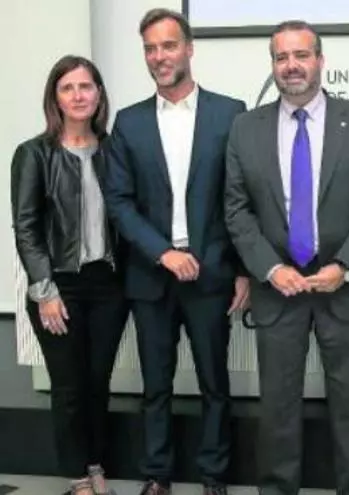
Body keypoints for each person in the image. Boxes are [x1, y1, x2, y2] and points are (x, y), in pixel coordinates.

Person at [224, 20, 349, 495]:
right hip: (277, 288)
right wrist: (270, 268)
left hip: (343, 285)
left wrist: (345, 267)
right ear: (273, 65)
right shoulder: (246, 127)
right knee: (277, 404)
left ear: (320, 60)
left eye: (301, 55)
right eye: (281, 57)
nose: (291, 66)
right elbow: (236, 210)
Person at [102, 8, 248, 495]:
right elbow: (119, 203)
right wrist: (163, 253)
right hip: (151, 275)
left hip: (212, 272)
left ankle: (214, 476)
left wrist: (242, 270)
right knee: (155, 387)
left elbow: (240, 197)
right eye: (150, 48)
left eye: (168, 45)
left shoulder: (230, 113)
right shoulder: (129, 122)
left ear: (189, 49)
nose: (159, 56)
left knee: (214, 385)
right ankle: (157, 476)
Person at [10, 55, 128, 495]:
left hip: (108, 286)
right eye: (68, 87)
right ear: (55, 98)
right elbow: (26, 227)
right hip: (59, 287)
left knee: (98, 383)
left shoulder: (114, 150)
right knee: (69, 387)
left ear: (99, 94)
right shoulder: (34, 154)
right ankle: (78, 476)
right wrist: (44, 291)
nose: (78, 95)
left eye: (86, 86)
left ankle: (96, 464)